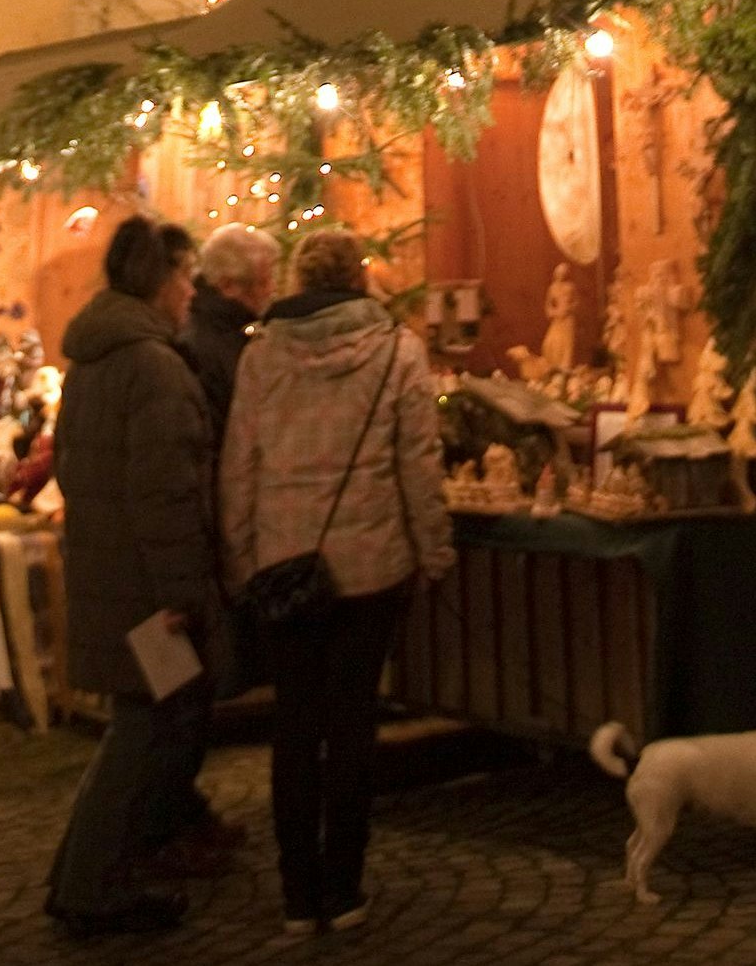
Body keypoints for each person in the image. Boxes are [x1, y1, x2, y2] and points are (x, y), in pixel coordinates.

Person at [220, 227, 453, 936]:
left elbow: (240, 465)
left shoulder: (260, 358)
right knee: (350, 725)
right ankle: (344, 886)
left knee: (294, 725)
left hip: (284, 566)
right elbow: (418, 463)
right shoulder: (396, 352)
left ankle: (297, 892)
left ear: (295, 278)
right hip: (371, 566)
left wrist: (242, 557)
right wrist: (434, 554)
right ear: (359, 278)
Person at [46, 216, 226, 941]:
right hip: (147, 592)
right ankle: (89, 887)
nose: (191, 293)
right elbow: (167, 496)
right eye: (187, 278)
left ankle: (83, 878)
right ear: (161, 280)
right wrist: (183, 596)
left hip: (108, 573)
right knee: (141, 736)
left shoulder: (94, 360)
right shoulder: (153, 367)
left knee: (138, 730)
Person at [179, 226, 277, 437]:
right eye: (262, 282)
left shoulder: (231, 330)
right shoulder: (201, 346)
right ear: (228, 286)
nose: (271, 289)